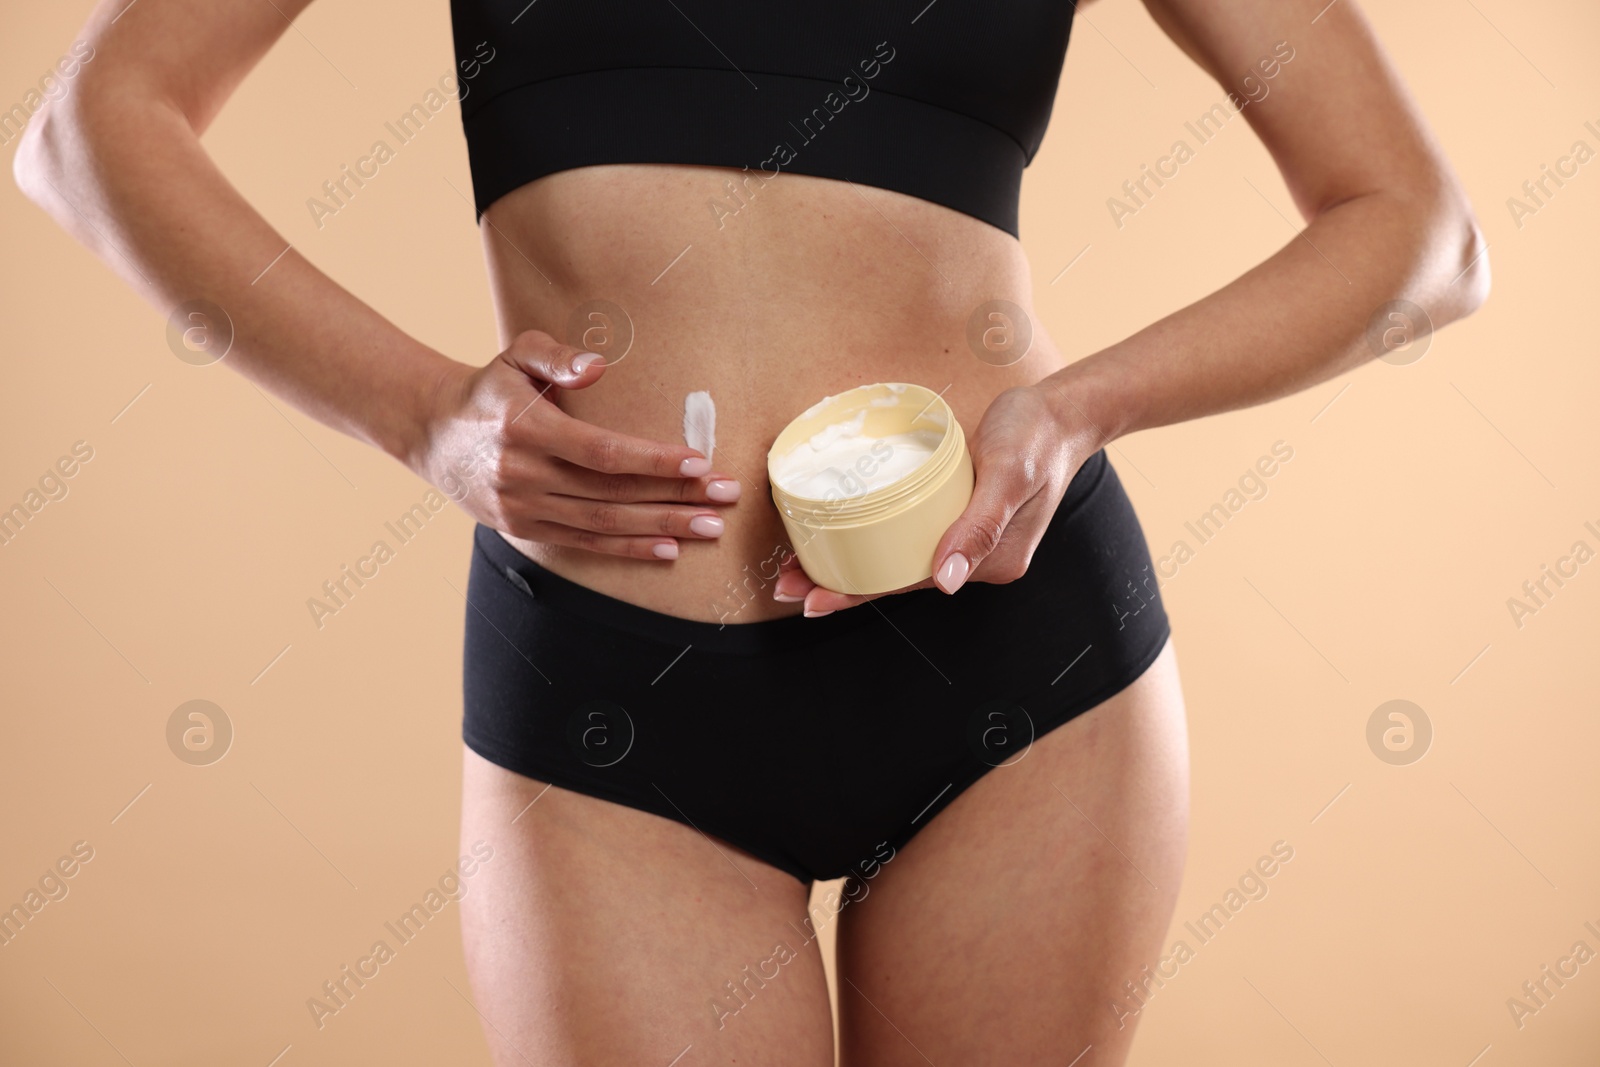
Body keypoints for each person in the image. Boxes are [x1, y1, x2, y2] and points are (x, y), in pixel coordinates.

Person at [14, 0, 1487, 1063]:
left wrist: (1083, 409)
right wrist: (422, 417)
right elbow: (88, 133)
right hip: (608, 702)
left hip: (1012, 660)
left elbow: (1419, 227)